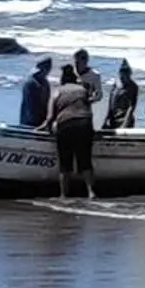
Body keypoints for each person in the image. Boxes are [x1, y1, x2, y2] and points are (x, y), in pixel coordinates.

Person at [44, 60, 97, 200]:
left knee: (65, 162)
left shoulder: (57, 91)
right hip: (84, 123)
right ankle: (91, 192)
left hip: (66, 124)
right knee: (85, 159)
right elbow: (88, 109)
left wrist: (44, 127)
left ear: (62, 79)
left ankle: (63, 194)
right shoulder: (82, 90)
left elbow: (50, 116)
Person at [102, 59, 140, 132]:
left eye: (127, 72)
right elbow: (110, 102)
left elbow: (131, 107)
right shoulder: (116, 83)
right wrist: (106, 118)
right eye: (123, 72)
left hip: (124, 119)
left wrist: (125, 124)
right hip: (113, 118)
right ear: (120, 73)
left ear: (130, 73)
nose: (125, 74)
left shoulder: (133, 87)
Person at [19, 55, 53, 128]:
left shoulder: (45, 83)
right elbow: (31, 107)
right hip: (30, 122)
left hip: (41, 121)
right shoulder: (31, 83)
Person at [73, 47, 103, 123]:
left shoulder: (94, 75)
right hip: (70, 109)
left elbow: (99, 95)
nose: (77, 63)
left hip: (85, 110)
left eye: (83, 59)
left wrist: (88, 100)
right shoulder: (70, 73)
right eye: (76, 60)